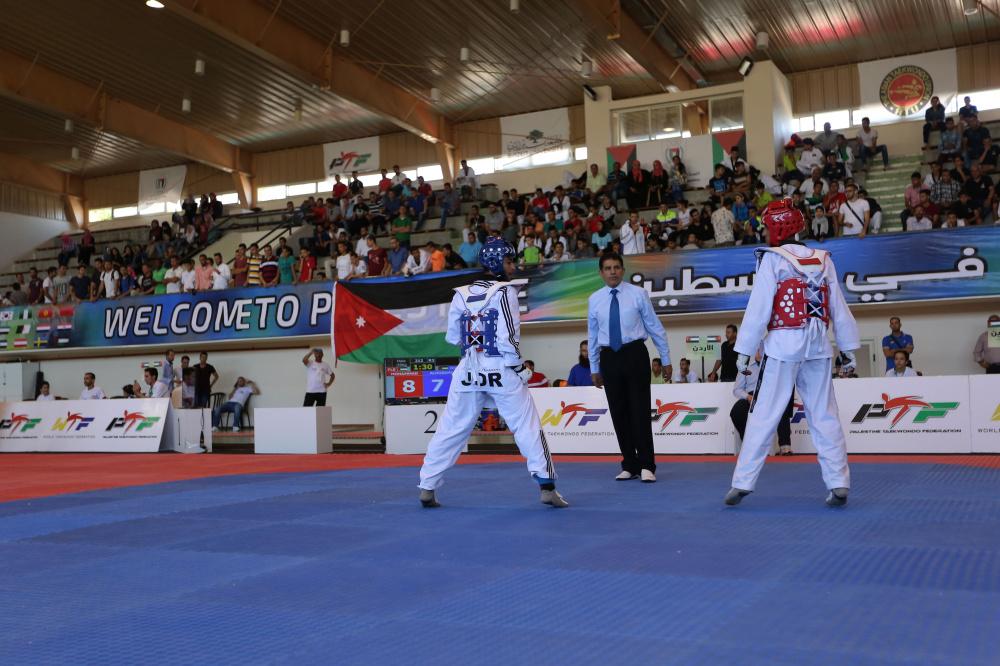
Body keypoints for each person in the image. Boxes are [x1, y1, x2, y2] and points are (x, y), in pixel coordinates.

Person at [724, 199, 859, 507]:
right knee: (824, 414)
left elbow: (759, 308)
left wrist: (743, 350)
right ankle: (839, 482)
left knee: (763, 414)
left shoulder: (773, 259)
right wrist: (848, 347)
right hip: (818, 345)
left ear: (777, 228)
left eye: (766, 227)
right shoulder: (823, 259)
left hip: (783, 346)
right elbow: (838, 306)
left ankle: (742, 482)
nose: (763, 233)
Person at [417, 237, 567, 509]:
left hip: (468, 368)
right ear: (497, 263)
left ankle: (427, 486)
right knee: (526, 425)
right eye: (509, 262)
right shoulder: (505, 292)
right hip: (500, 367)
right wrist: (520, 368)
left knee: (451, 429)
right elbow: (508, 337)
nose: (512, 267)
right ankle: (546, 485)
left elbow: (453, 337)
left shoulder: (460, 294)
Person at [588, 251, 671, 483]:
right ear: (601, 273)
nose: (613, 272)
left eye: (616, 267)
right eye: (608, 268)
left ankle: (646, 465)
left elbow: (655, 326)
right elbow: (592, 335)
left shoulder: (638, 294)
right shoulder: (594, 299)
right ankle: (629, 464)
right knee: (618, 413)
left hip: (635, 353)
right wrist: (594, 367)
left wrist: (665, 359)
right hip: (608, 357)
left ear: (623, 270)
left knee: (640, 411)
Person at [730, 348, 794, 456]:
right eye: (757, 349)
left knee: (782, 404)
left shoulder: (775, 368)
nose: (759, 351)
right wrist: (747, 397)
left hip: (770, 397)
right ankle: (748, 444)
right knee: (737, 410)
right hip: (752, 397)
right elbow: (737, 390)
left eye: (762, 349)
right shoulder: (745, 368)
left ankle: (785, 446)